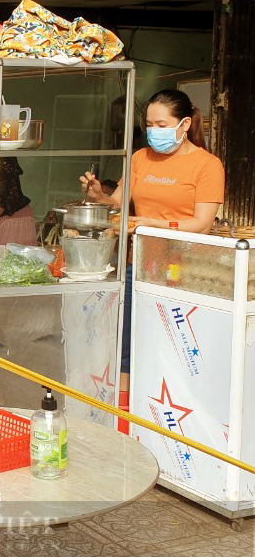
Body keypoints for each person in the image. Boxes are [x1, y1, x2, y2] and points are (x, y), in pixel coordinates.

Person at [81, 89, 224, 430]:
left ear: (185, 124)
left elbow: (201, 224)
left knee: (178, 350)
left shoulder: (208, 165)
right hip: (138, 265)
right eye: (149, 124)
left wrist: (151, 223)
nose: (154, 130)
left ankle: (177, 424)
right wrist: (98, 195)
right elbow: (117, 204)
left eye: (162, 124)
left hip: (185, 271)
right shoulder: (140, 158)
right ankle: (125, 426)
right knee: (128, 346)